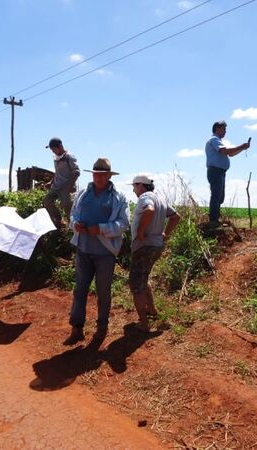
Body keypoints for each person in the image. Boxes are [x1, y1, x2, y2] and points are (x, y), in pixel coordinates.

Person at [64, 158, 130, 345]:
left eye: (102, 175)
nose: (98, 178)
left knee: (103, 292)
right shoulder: (83, 193)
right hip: (83, 250)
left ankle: (101, 329)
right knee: (79, 290)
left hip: (105, 253)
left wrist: (100, 228)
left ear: (109, 176)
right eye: (95, 174)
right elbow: (73, 214)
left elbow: (123, 224)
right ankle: (77, 328)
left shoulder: (119, 197)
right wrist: (75, 224)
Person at [129, 174, 180, 332]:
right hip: (156, 246)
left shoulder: (145, 197)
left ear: (141, 186)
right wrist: (165, 234)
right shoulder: (161, 199)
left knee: (136, 285)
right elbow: (175, 217)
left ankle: (144, 324)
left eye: (134, 185)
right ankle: (151, 311)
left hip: (144, 246)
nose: (133, 189)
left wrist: (141, 231)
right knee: (144, 278)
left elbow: (149, 210)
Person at [205, 120, 251, 223]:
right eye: (224, 129)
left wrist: (242, 149)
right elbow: (225, 151)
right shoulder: (214, 139)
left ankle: (216, 218)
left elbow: (231, 154)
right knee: (216, 195)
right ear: (217, 128)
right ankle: (213, 220)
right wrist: (242, 146)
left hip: (220, 172)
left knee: (220, 197)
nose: (225, 131)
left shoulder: (218, 141)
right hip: (215, 171)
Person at [42, 137, 80, 228]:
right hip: (56, 186)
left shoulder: (69, 157)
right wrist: (50, 183)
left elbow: (76, 172)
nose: (53, 151)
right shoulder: (56, 158)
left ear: (60, 146)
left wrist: (70, 185)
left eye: (54, 149)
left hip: (65, 187)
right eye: (51, 150)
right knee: (47, 201)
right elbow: (57, 173)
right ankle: (59, 222)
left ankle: (73, 226)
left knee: (67, 206)